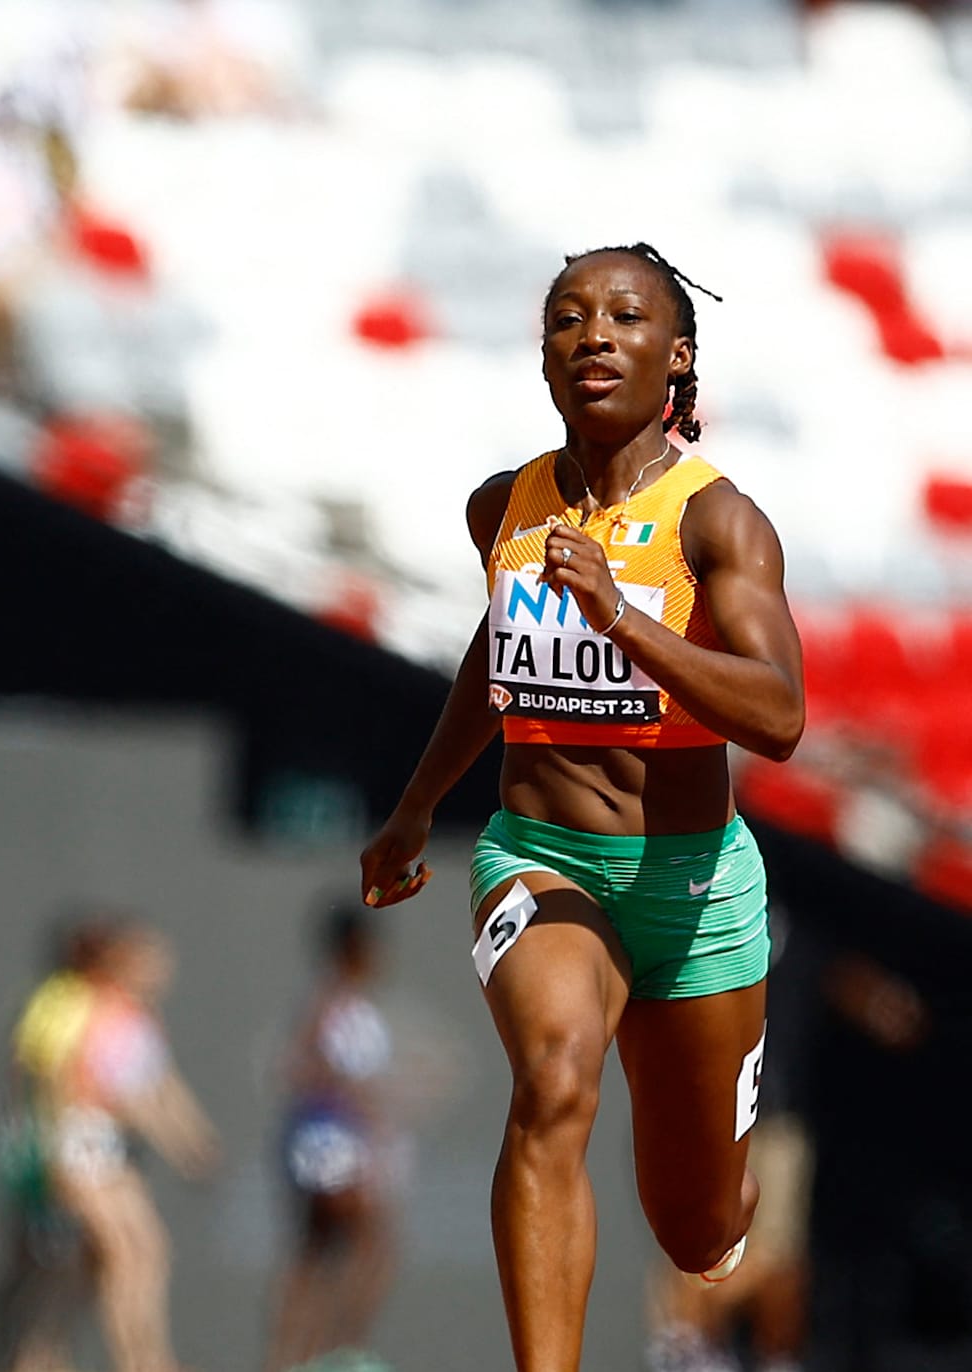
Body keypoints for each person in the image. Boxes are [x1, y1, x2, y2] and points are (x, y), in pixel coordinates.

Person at [358, 243, 806, 1372]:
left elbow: (781, 714)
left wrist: (625, 620)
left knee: (696, 1225)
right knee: (553, 1077)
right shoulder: (501, 507)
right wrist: (416, 805)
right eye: (567, 318)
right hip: (541, 855)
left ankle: (727, 1182)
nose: (592, 335)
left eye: (622, 317)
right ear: (544, 355)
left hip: (693, 886)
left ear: (676, 357)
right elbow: (492, 658)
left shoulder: (719, 524)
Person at [0, 919, 217, 1372]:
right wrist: (46, 1151)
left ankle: (123, 1357)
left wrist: (192, 1137)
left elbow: (159, 1087)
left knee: (116, 1261)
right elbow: (68, 1083)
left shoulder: (134, 1018)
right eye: (148, 959)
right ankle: (138, 1361)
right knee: (118, 1256)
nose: (161, 968)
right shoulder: (82, 1008)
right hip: (76, 1148)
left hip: (102, 1150)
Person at [266, 903, 396, 1372]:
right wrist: (353, 1098)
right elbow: (300, 1065)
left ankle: (301, 1357)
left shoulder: (352, 1001)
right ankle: (338, 1353)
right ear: (353, 948)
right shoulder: (331, 1001)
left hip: (341, 1137)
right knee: (369, 1242)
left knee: (320, 1250)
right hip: (328, 1139)